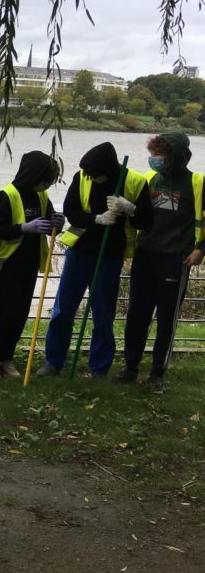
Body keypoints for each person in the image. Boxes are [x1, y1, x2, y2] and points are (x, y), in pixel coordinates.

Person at [36, 142, 151, 378]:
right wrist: (96, 219)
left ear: (106, 171)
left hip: (110, 256)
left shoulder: (136, 182)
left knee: (102, 313)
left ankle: (99, 368)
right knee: (63, 309)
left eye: (94, 174)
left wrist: (129, 208)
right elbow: (70, 209)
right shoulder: (83, 176)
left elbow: (145, 221)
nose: (89, 177)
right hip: (80, 252)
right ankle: (53, 361)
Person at [116, 133, 203, 392]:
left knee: (166, 318)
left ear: (177, 158)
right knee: (137, 315)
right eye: (152, 155)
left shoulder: (197, 183)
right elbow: (140, 215)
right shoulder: (149, 179)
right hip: (145, 254)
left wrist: (201, 249)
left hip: (175, 259)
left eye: (160, 156)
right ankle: (130, 367)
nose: (154, 160)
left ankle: (157, 373)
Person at [0, 152, 63, 379]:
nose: (46, 184)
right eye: (45, 179)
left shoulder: (41, 196)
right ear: (33, 174)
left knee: (20, 313)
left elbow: (49, 221)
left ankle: (6, 358)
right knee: (5, 312)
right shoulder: (5, 196)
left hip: (30, 262)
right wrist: (24, 228)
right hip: (9, 262)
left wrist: (57, 222)